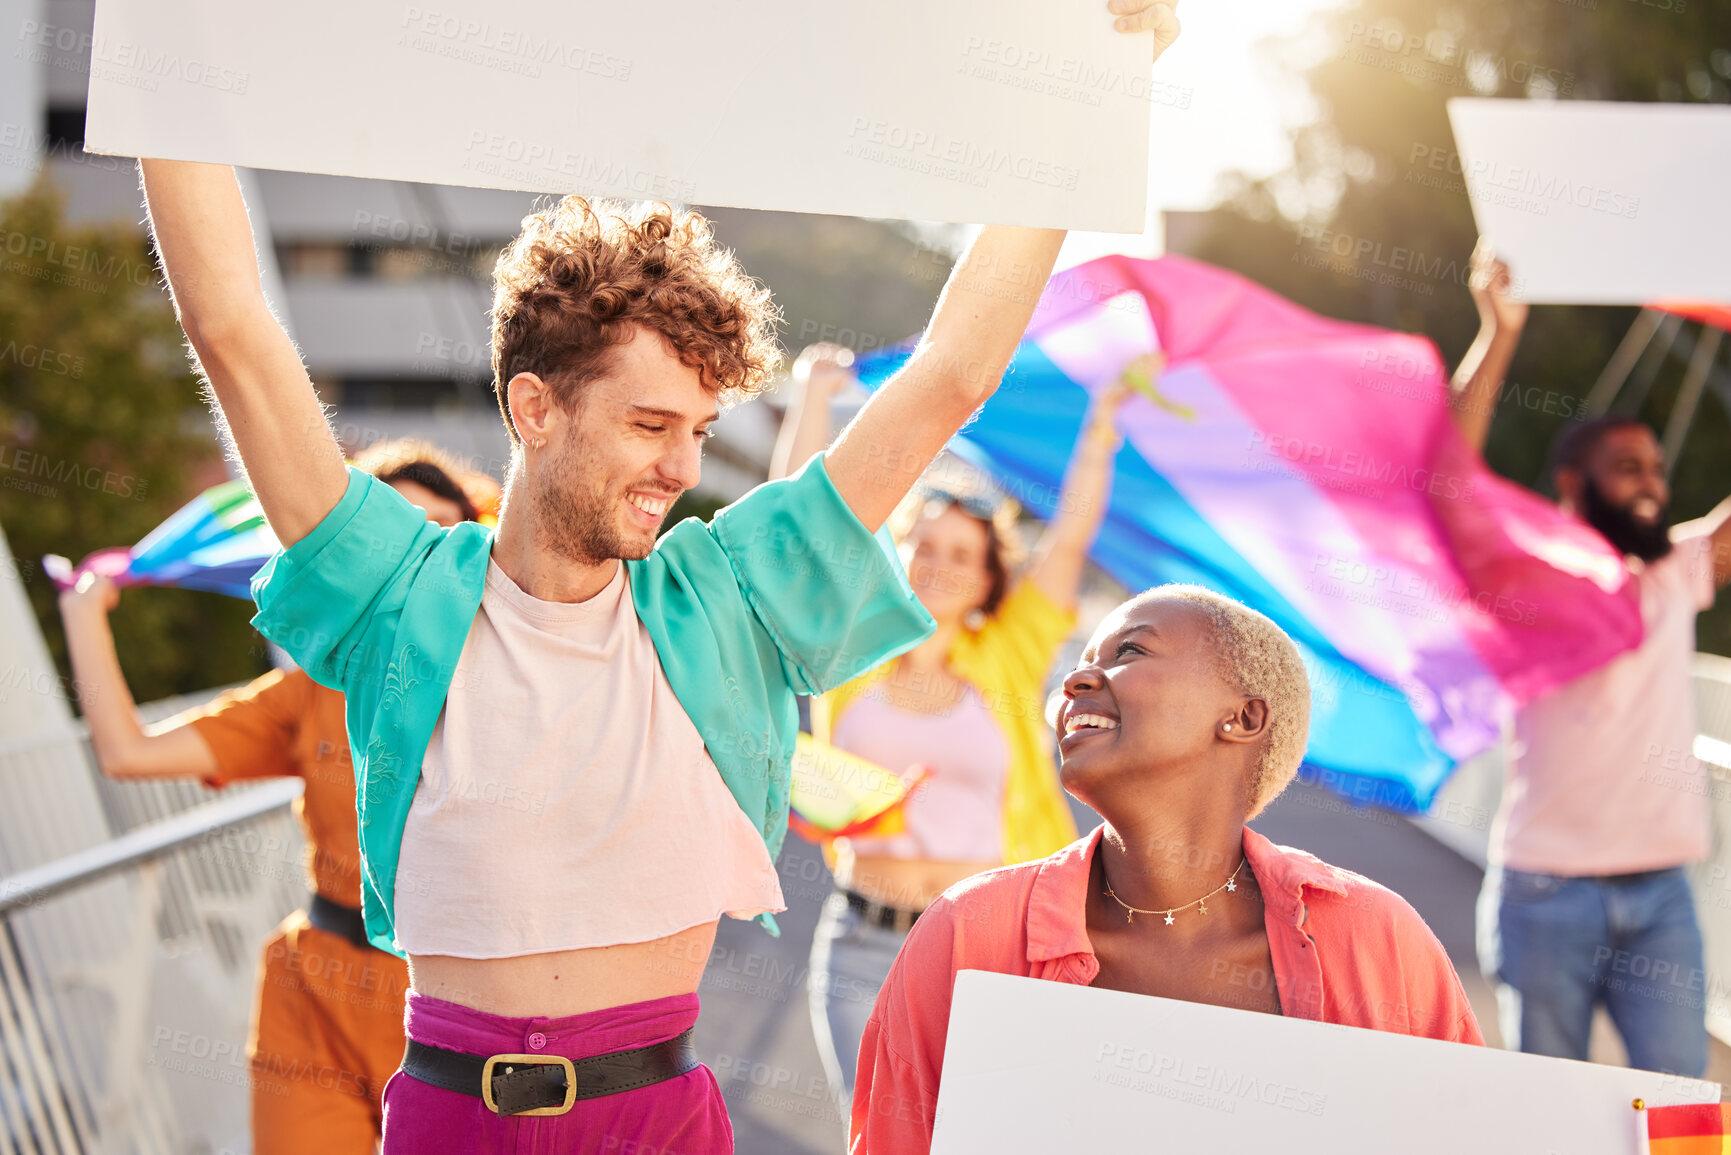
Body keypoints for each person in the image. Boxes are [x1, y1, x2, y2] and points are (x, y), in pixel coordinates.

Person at [135, 8, 1176, 1149]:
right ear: (533, 409)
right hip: (444, 1115)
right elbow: (231, 326)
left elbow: (952, 373)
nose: (680, 468)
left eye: (698, 428)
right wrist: (157, 46)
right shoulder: (401, 591)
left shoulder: (727, 594)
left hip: (654, 1118)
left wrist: (1081, 106)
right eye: (646, 423)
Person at [849, 585, 1484, 1153]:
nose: (1074, 683)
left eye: (1128, 652)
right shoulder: (968, 933)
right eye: (1079, 663)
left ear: (1242, 718)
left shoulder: (1380, 941)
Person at [57, 440, 479, 1155]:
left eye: (441, 534)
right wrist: (83, 613)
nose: (419, 556)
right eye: (399, 532)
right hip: (315, 996)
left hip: (461, 1001)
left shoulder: (512, 680)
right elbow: (130, 753)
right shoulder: (307, 692)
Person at [772, 343, 1138, 1108]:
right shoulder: (852, 646)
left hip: (989, 949)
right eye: (924, 546)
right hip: (861, 944)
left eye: (960, 554)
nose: (937, 564)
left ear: (985, 579)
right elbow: (789, 531)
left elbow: (1067, 537)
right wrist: (811, 396)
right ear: (898, 553)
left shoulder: (1009, 653)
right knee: (878, 1133)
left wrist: (1100, 428)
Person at [1455, 247, 1731, 1076]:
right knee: (1549, 1118)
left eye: (1655, 467)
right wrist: (1497, 333)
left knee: (1682, 1109)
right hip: (1547, 894)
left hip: (1661, 896)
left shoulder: (1676, 569)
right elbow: (1448, 476)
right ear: (1574, 485)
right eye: (1627, 468)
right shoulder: (1525, 573)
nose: (1652, 484)